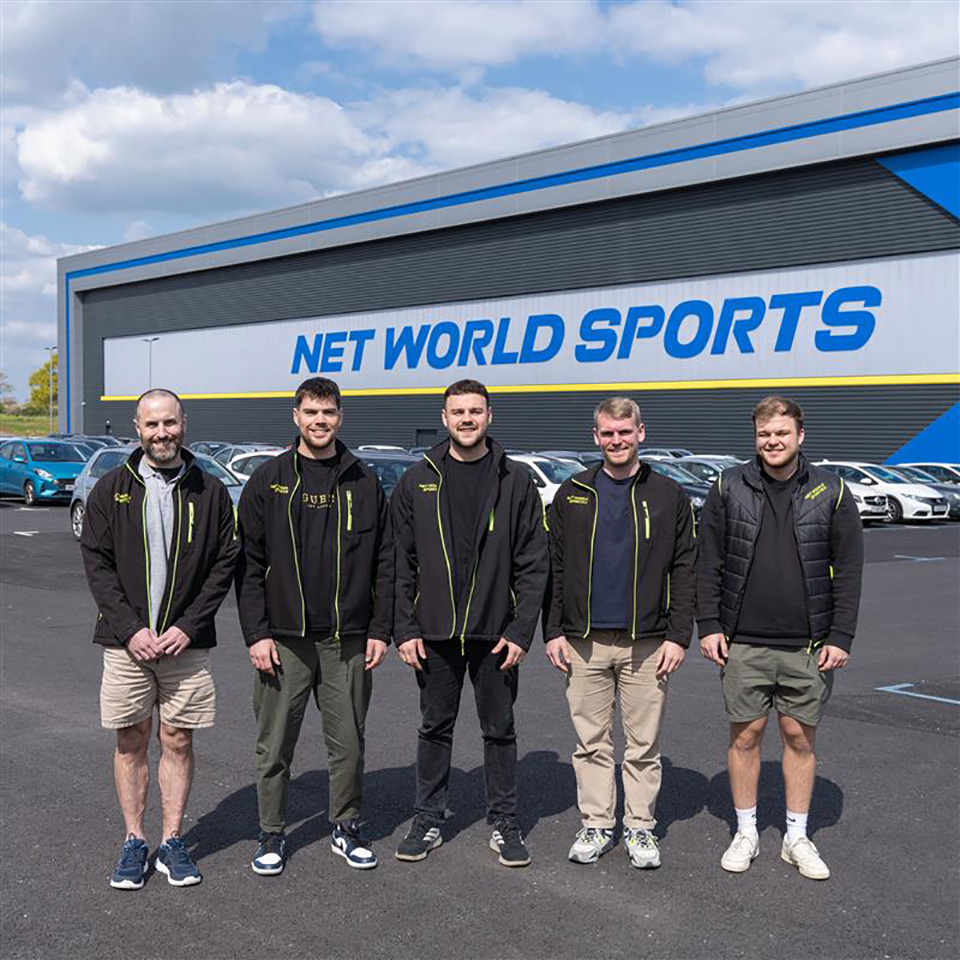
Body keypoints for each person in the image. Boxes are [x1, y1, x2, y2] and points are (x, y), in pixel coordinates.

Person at [697, 395, 863, 880]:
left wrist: (842, 635)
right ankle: (746, 830)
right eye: (764, 434)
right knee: (745, 736)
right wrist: (708, 625)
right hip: (742, 640)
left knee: (798, 736)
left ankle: (796, 836)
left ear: (800, 436)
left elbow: (849, 569)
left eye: (781, 434)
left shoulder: (830, 491)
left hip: (809, 643)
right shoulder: (728, 485)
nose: (773, 442)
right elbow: (708, 560)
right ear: (756, 438)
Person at [80, 389, 239, 889]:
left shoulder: (210, 492)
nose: (162, 433)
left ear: (184, 423)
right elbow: (97, 565)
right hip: (127, 644)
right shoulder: (111, 489)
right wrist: (131, 630)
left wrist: (187, 626)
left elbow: (223, 565)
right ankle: (134, 840)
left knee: (177, 738)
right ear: (137, 427)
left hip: (184, 646)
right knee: (131, 739)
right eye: (152, 425)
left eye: (169, 423)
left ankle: (172, 840)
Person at [236, 377, 393, 875]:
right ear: (296, 417)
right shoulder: (269, 481)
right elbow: (249, 564)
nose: (320, 421)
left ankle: (345, 826)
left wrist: (380, 629)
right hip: (284, 639)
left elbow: (385, 562)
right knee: (275, 742)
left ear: (340, 416)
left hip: (346, 640)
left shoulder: (363, 481)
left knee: (348, 741)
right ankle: (272, 833)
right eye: (311, 412)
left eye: (328, 412)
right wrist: (256, 633)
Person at [391, 379, 548, 867]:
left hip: (495, 634)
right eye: (457, 411)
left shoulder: (516, 481)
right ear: (444, 417)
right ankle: (428, 818)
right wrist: (406, 628)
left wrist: (521, 631)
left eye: (474, 411)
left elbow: (534, 562)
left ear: (489, 416)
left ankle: (504, 822)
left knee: (499, 729)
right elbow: (399, 562)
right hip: (434, 633)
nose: (466, 419)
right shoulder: (418, 480)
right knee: (435, 726)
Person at [544, 397, 696, 868]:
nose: (616, 441)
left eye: (624, 432)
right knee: (591, 743)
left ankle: (639, 828)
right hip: (583, 641)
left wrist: (678, 635)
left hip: (648, 643)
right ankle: (596, 824)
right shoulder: (572, 493)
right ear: (596, 437)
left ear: (640, 433)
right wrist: (552, 631)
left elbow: (686, 567)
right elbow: (555, 567)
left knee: (643, 745)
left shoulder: (669, 494)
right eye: (608, 433)